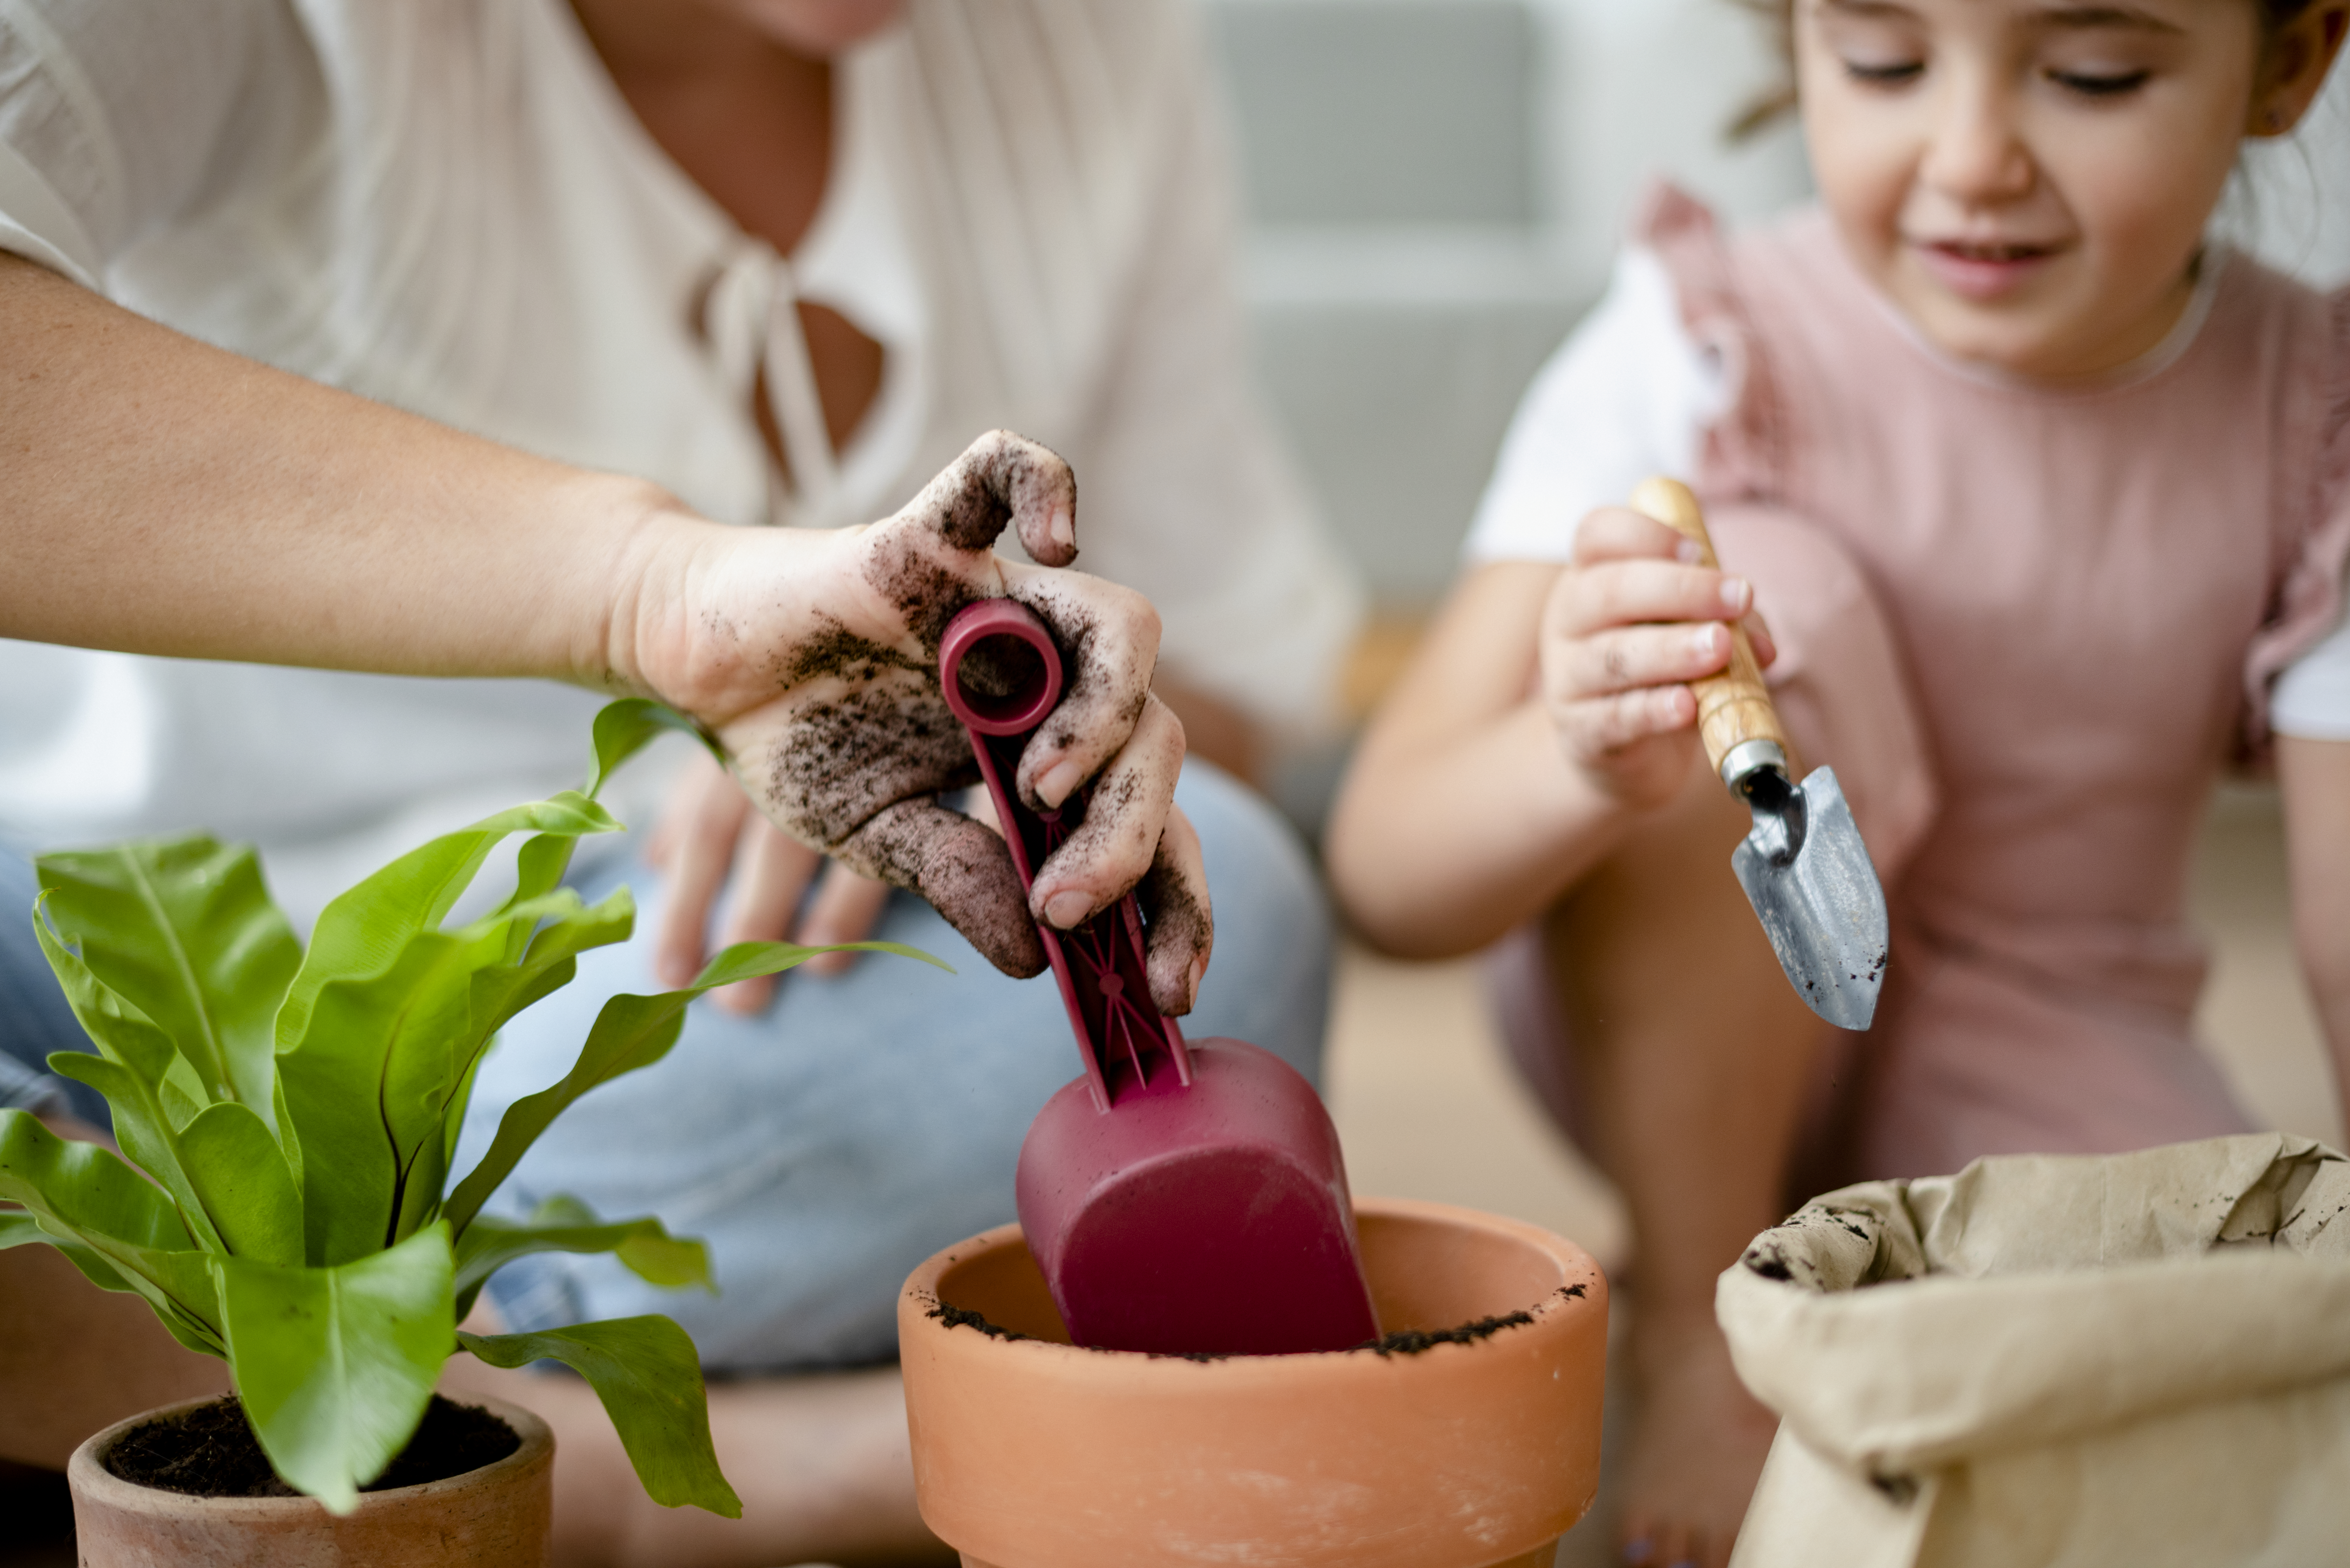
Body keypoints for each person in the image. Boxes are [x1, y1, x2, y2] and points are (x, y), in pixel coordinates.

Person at [0, 1, 1357, 1561]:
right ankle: (646, 1463)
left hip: (601, 1008)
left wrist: (1016, 764)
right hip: (64, 949)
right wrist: (653, 599)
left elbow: (1237, 672)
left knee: (1224, 901)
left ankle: (379, 1407)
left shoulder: (1087, 47)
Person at [1324, 4, 2350, 1566]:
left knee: (2184, 1400)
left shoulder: (2311, 413)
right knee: (1766, 591)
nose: (1969, 159)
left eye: (2090, 75)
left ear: (2286, 66)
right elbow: (1385, 872)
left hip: (2050, 1028)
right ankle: (1691, 1299)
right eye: (1881, 62)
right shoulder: (1697, 345)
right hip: (1683, 1017)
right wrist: (1582, 757)